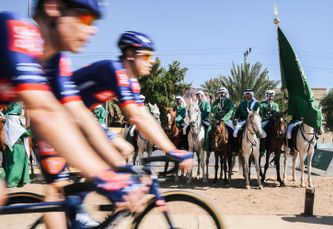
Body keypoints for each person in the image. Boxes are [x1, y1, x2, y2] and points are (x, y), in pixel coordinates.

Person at [0, 1, 151, 227]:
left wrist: (120, 172)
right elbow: (43, 112)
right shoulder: (16, 30)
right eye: (86, 19)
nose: (93, 29)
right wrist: (104, 177)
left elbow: (79, 115)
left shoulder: (57, 61)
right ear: (53, 8)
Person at [72, 31, 193, 168]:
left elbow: (144, 116)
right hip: (58, 115)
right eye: (146, 56)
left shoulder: (132, 82)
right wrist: (171, 150)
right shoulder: (115, 70)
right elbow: (136, 116)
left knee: (126, 150)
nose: (151, 61)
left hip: (80, 119)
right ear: (129, 54)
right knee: (62, 184)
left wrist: (172, 149)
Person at [1, 102, 31, 188]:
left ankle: (7, 180)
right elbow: (26, 133)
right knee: (16, 164)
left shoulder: (9, 124)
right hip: (17, 147)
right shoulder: (14, 124)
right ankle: (12, 182)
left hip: (10, 146)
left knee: (9, 164)